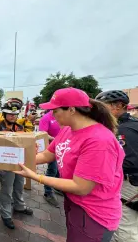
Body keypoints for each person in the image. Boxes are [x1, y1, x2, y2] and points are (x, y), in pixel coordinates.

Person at [14, 87, 124, 242]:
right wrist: (14, 160)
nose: (51, 115)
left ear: (71, 110)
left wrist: (36, 177)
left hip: (94, 213)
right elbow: (47, 154)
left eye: (55, 110)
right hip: (74, 203)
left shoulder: (99, 141)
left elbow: (81, 187)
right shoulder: (67, 130)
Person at [95, 90, 138, 242]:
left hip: (129, 184)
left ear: (118, 106)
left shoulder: (124, 130)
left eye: (102, 106)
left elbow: (128, 162)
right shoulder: (131, 124)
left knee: (125, 229)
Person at [0, 100, 34, 229]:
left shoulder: (20, 127)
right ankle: (5, 213)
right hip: (4, 164)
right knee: (6, 188)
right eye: (9, 114)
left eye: (15, 114)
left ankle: (19, 206)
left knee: (19, 185)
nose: (12, 116)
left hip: (19, 163)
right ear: (4, 114)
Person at [39, 110, 62, 207]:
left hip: (62, 146)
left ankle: (56, 186)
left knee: (59, 169)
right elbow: (42, 133)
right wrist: (56, 139)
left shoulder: (63, 115)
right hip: (52, 148)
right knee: (52, 169)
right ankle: (48, 192)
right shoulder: (46, 118)